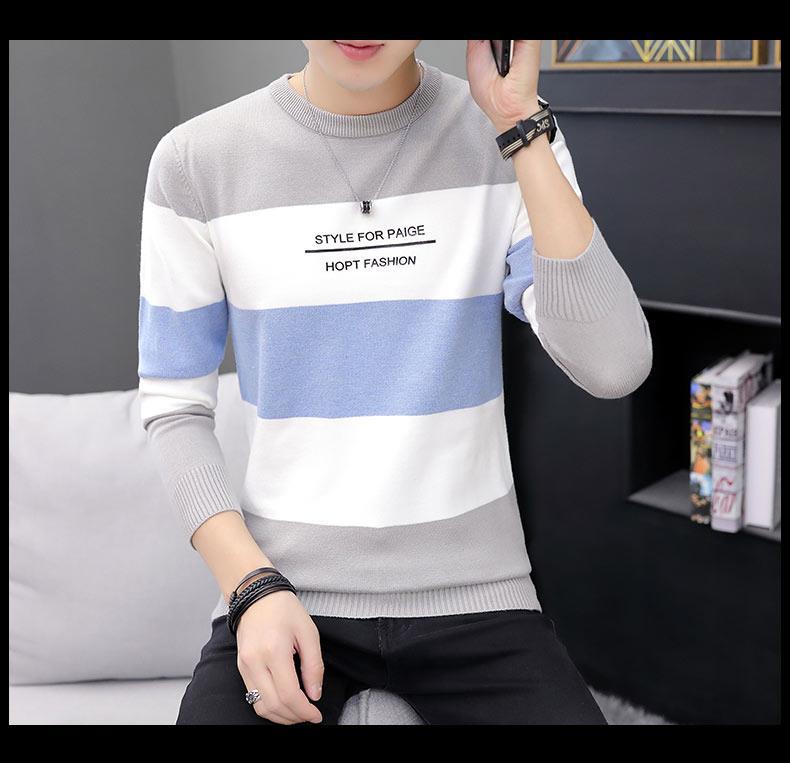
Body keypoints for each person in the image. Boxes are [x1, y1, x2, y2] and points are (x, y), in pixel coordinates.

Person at [137, 39, 652, 725]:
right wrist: (250, 586)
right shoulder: (196, 160)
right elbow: (174, 407)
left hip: (481, 597)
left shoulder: (511, 135)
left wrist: (519, 128)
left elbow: (615, 364)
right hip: (285, 594)